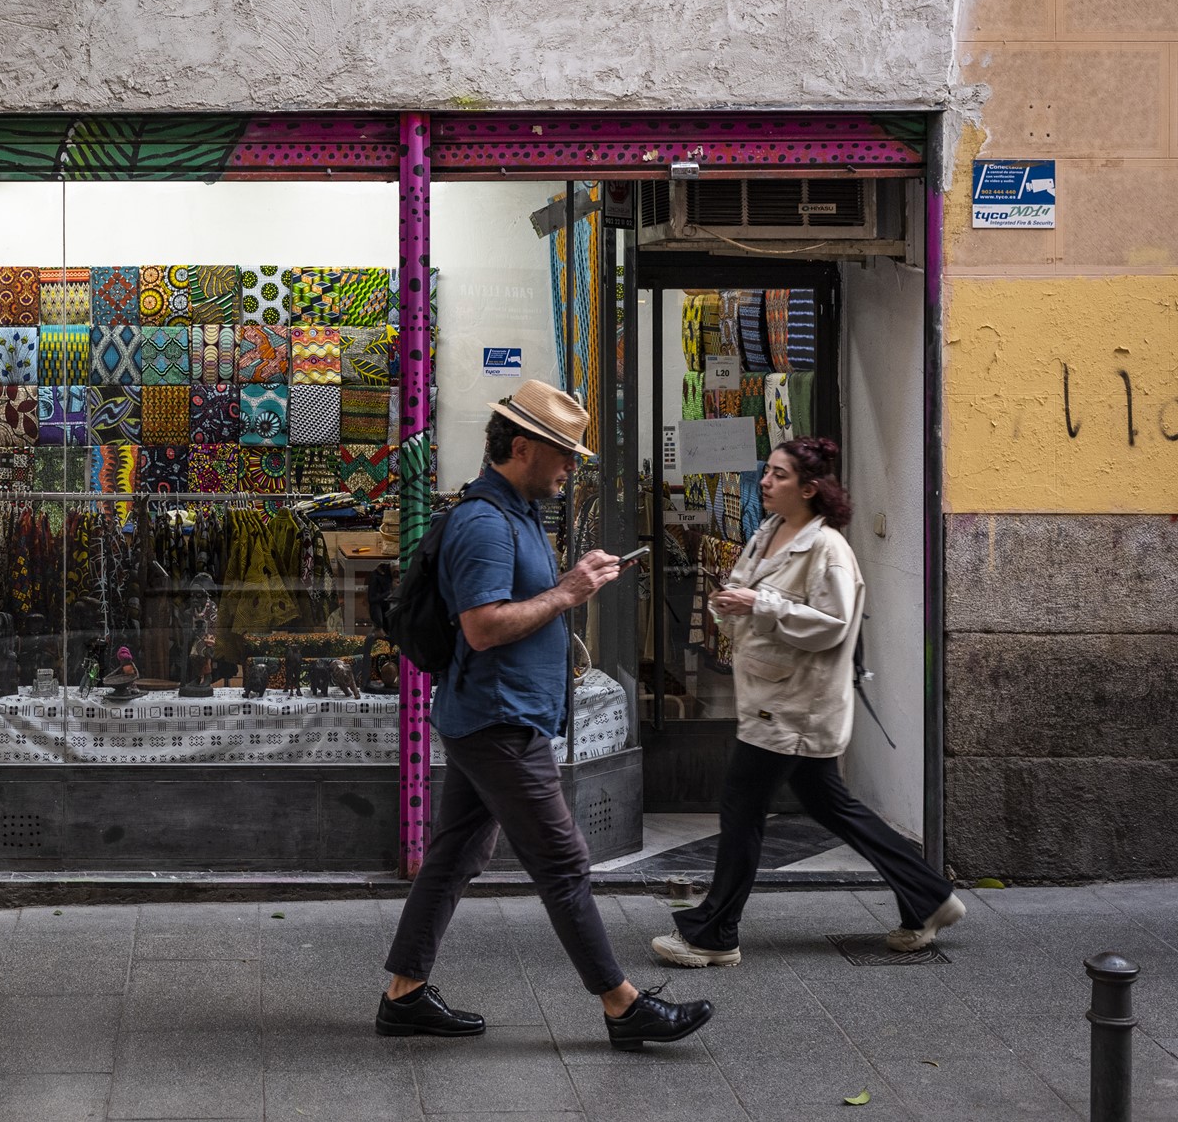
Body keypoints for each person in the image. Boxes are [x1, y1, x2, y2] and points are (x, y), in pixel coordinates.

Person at [378, 380, 713, 1052]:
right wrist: (567, 591)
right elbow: (481, 626)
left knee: (454, 856)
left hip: (497, 715)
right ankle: (623, 1006)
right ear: (522, 446)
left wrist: (572, 580)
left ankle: (404, 995)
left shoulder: (519, 513)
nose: (571, 468)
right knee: (562, 862)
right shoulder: (484, 522)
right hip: (497, 722)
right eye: (563, 453)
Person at [653, 436, 964, 969]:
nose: (766, 481)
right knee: (829, 804)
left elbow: (834, 626)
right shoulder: (769, 531)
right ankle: (929, 896)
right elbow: (756, 597)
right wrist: (734, 602)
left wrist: (760, 603)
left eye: (778, 475)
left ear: (810, 488)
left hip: (795, 707)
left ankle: (714, 933)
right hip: (772, 698)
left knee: (741, 808)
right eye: (768, 471)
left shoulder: (828, 550)